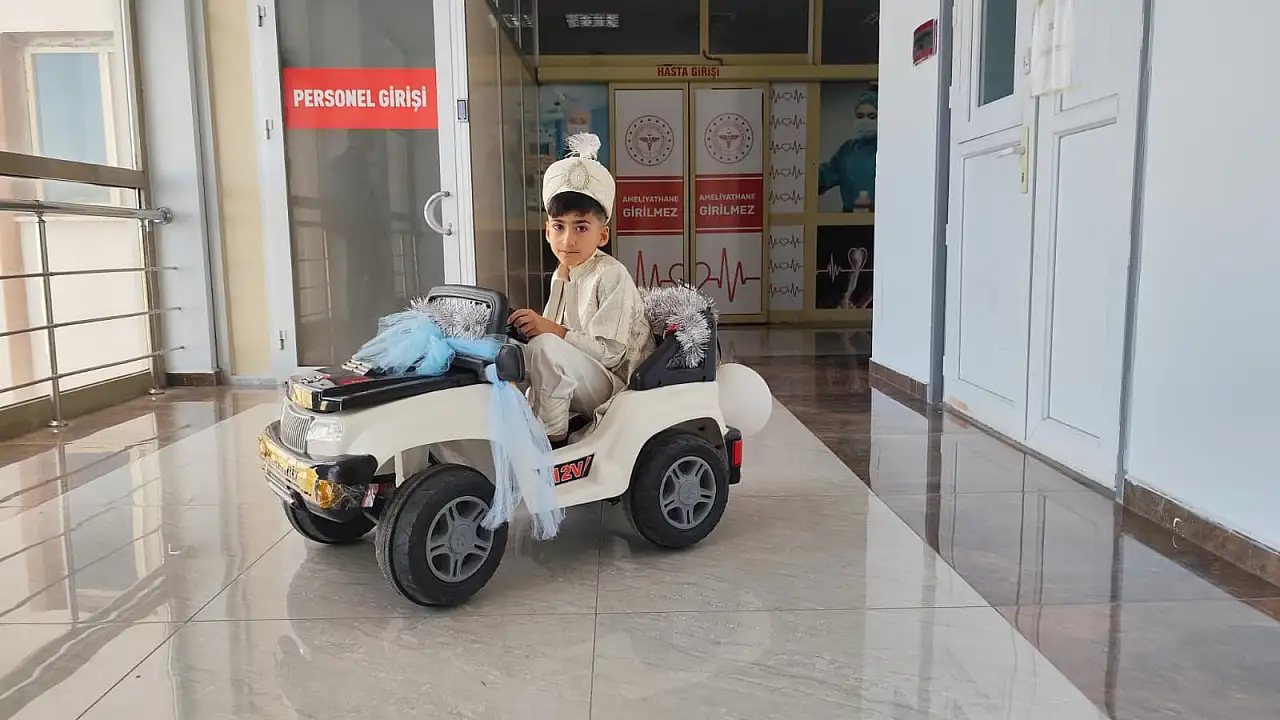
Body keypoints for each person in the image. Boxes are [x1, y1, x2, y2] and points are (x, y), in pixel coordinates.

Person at [508, 133, 655, 445]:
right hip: (582, 376)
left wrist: (550, 329)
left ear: (602, 236)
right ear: (547, 232)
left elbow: (611, 355)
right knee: (520, 350)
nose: (568, 240)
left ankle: (552, 440)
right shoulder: (563, 272)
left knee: (545, 348)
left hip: (617, 388)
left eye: (581, 227)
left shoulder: (611, 274)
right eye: (559, 227)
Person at [817, 90, 878, 213]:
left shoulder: (891, 149)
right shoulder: (848, 150)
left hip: (885, 219)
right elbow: (823, 177)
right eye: (860, 116)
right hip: (849, 219)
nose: (865, 121)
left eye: (872, 117)